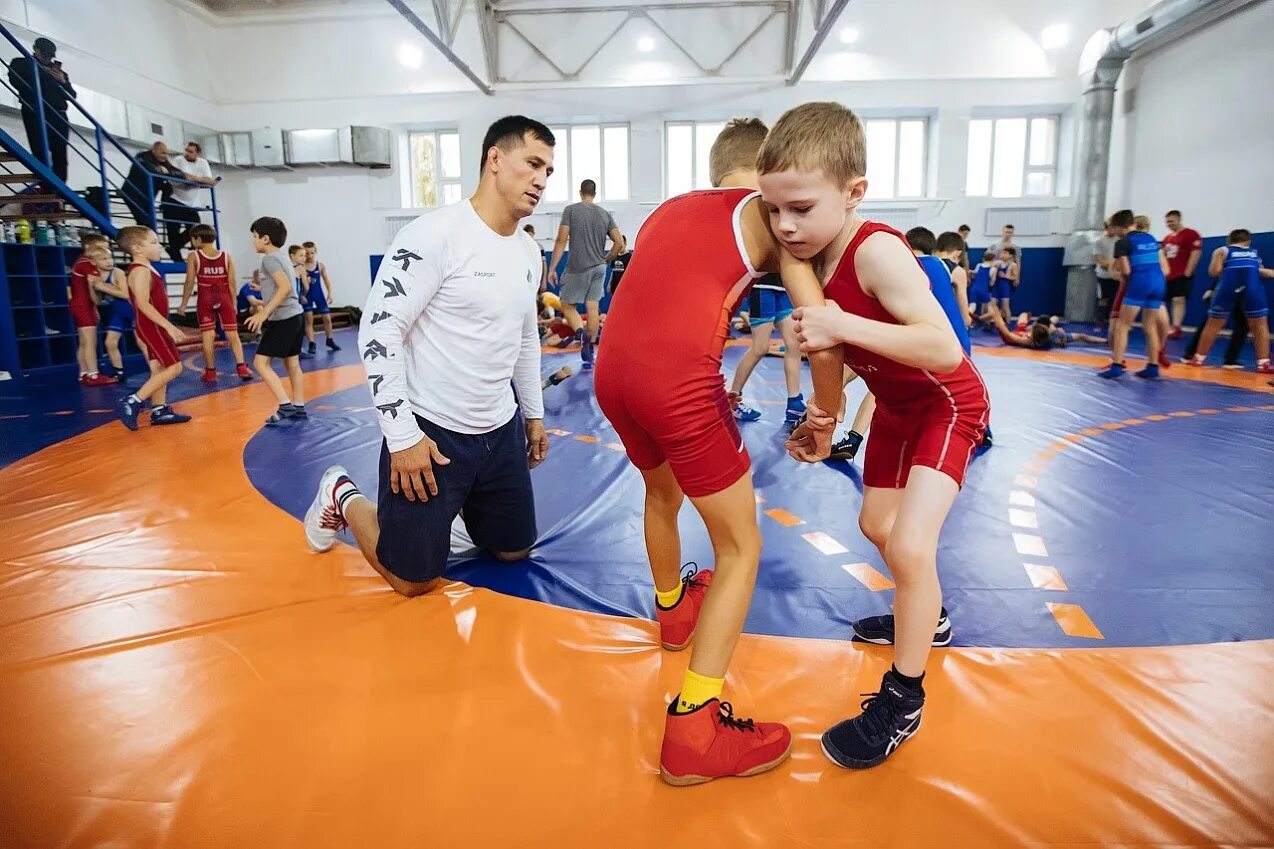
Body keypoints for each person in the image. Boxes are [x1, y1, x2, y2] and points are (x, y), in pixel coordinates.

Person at [595, 117, 844, 786]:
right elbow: (819, 332)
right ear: (768, 170)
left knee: (661, 491)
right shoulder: (771, 213)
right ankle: (696, 727)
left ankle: (673, 606)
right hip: (675, 379)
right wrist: (826, 414)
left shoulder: (667, 211)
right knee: (739, 548)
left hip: (611, 374)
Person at [758, 101, 990, 769]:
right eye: (773, 210)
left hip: (947, 404)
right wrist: (823, 421)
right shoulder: (808, 256)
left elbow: (942, 349)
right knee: (877, 526)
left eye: (800, 207)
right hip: (893, 408)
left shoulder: (878, 250)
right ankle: (930, 618)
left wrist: (841, 325)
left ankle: (902, 699)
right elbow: (838, 362)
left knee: (913, 545)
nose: (784, 224)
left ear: (854, 192)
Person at [300, 116, 553, 602]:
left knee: (515, 551)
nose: (542, 180)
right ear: (495, 160)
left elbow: (525, 338)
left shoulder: (527, 251)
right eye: (533, 164)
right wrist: (402, 437)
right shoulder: (433, 235)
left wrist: (534, 415)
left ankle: (450, 511)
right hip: (432, 432)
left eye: (549, 171)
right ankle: (342, 494)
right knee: (414, 580)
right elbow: (378, 330)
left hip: (498, 430)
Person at [115, 227, 192, 430]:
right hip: (152, 326)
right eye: (154, 242)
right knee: (175, 367)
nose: (159, 246)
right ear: (138, 248)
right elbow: (142, 303)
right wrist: (168, 325)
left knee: (158, 368)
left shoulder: (146, 268)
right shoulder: (140, 270)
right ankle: (133, 401)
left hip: (151, 325)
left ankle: (159, 410)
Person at [548, 179, 623, 369]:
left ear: (581, 192)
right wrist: (607, 259)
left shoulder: (571, 211)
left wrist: (552, 268)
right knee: (593, 307)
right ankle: (588, 346)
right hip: (599, 267)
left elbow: (560, 240)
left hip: (578, 266)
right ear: (594, 193)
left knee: (567, 305)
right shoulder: (605, 214)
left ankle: (581, 334)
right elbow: (619, 243)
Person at [245, 218, 307, 424]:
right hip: (295, 315)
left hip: (283, 319)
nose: (253, 241)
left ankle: (285, 406)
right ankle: (299, 407)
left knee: (260, 363)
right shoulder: (282, 257)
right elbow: (285, 288)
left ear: (265, 239)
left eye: (254, 237)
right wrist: (263, 295)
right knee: (292, 364)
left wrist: (263, 313)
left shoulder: (269, 259)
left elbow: (284, 288)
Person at [1188, 229, 1273, 373]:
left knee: (1213, 324)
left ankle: (1198, 358)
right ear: (1248, 241)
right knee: (1260, 325)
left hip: (1227, 287)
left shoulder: (1222, 250)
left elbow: (1213, 272)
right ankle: (1263, 363)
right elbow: (1261, 272)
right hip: (1252, 289)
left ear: (1229, 240)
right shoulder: (1253, 252)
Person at [728, 272, 806, 426]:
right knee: (760, 347)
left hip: (783, 288)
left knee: (794, 345)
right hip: (762, 288)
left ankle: (794, 403)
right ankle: (733, 399)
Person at [1099, 212, 1169, 380]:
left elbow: (1126, 271)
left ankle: (1116, 366)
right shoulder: (1150, 238)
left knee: (1123, 326)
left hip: (1140, 283)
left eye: (1113, 228)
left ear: (1118, 227)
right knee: (1149, 326)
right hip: (1159, 283)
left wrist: (1127, 284)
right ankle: (1153, 366)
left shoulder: (1123, 243)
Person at [179, 224, 251, 382]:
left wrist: (183, 304)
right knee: (233, 335)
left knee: (208, 335)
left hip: (205, 298)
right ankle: (242, 367)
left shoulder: (194, 256)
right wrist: (234, 303)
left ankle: (210, 371)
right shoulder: (226, 256)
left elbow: (189, 281)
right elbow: (231, 282)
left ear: (198, 239)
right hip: (223, 296)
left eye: (192, 239)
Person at [7, 37, 75, 192]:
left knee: (60, 156)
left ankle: (59, 191)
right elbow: (17, 81)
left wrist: (63, 81)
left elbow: (72, 95)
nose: (47, 59)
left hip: (58, 115)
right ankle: (46, 187)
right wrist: (43, 72)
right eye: (44, 55)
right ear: (35, 49)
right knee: (39, 152)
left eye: (50, 56)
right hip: (34, 112)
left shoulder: (60, 73)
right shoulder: (21, 63)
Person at [121, 141, 201, 262]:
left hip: (147, 199)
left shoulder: (163, 161)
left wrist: (167, 172)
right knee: (146, 226)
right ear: (154, 150)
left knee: (149, 227)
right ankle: (140, 258)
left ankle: (171, 249)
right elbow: (148, 170)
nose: (165, 156)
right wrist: (160, 171)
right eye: (163, 153)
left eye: (167, 153)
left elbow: (178, 173)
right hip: (133, 196)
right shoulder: (142, 156)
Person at [86, 245, 143, 381]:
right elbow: (98, 301)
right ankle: (119, 371)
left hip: (132, 310)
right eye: (104, 259)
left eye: (110, 258)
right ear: (94, 262)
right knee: (110, 342)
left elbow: (124, 294)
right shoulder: (96, 276)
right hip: (118, 312)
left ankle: (157, 368)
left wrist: (102, 286)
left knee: (142, 342)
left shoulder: (117, 272)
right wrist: (92, 286)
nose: (109, 261)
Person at [69, 233, 111, 386]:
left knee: (83, 342)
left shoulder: (80, 262)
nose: (105, 251)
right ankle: (93, 374)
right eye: (101, 248)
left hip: (82, 305)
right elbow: (96, 290)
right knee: (90, 341)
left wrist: (94, 309)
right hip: (83, 306)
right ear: (89, 247)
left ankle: (84, 372)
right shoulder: (87, 264)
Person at [1161, 210, 1202, 338]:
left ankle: (1176, 327)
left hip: (1181, 274)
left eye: (1172, 221)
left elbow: (1196, 253)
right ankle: (1165, 326)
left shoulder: (1191, 234)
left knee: (1178, 300)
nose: (1169, 223)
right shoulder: (1167, 238)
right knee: (1163, 301)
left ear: (1179, 219)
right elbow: (1162, 256)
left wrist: (1187, 273)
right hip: (1168, 275)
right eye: (1167, 221)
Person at [990, 311, 1107, 349]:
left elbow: (1007, 333)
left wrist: (997, 317)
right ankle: (1105, 341)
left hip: (1026, 333)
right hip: (1047, 335)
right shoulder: (1051, 336)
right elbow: (1062, 341)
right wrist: (1060, 335)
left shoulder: (1028, 340)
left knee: (1024, 315)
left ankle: (1105, 341)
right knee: (1081, 336)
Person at [302, 241, 340, 353]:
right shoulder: (301, 267)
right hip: (307, 295)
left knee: (327, 319)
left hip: (319, 294)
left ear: (315, 252)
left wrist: (330, 293)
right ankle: (311, 343)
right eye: (307, 253)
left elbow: (326, 280)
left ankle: (330, 339)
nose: (309, 256)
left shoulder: (320, 265)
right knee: (309, 320)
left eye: (312, 253)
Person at [170, 141, 217, 216]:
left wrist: (196, 179)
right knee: (174, 225)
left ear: (197, 154)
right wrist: (200, 179)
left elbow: (210, 181)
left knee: (194, 225)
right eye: (186, 151)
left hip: (192, 203)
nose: (187, 153)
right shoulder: (179, 159)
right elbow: (183, 175)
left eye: (190, 152)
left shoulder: (203, 162)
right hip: (176, 199)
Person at [1093, 219, 1119, 329]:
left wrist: (1116, 268)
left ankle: (1113, 320)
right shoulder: (1099, 241)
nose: (1112, 229)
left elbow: (1121, 259)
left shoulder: (1120, 241)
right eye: (1110, 227)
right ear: (1106, 228)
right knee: (1103, 298)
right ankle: (1100, 319)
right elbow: (1100, 260)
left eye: (1114, 227)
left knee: (1116, 299)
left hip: (1117, 276)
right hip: (1103, 275)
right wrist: (1112, 266)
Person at [994, 246, 1018, 322]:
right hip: (996, 286)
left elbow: (1015, 277)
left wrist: (1005, 276)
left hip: (1005, 287)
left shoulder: (1013, 265)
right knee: (993, 305)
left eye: (1005, 253)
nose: (1002, 254)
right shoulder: (997, 263)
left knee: (1005, 306)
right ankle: (995, 322)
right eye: (1002, 253)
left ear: (1010, 255)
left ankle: (1008, 323)